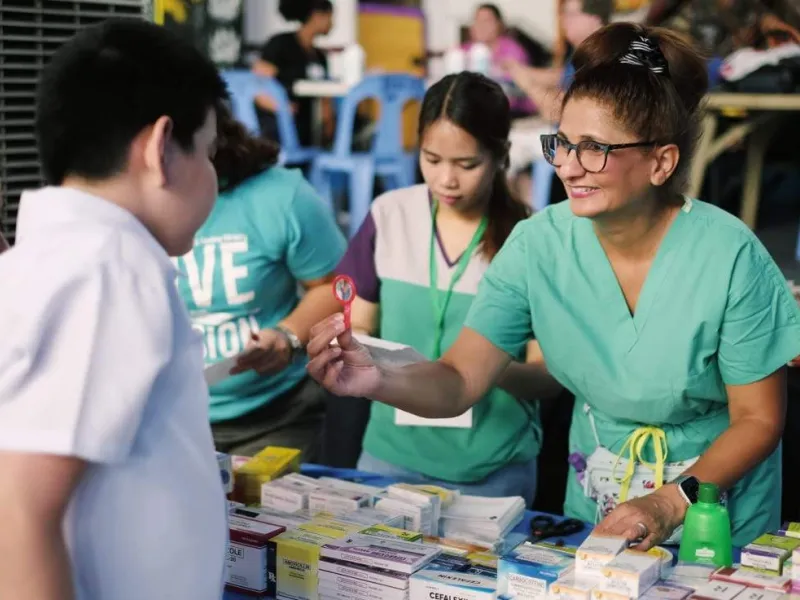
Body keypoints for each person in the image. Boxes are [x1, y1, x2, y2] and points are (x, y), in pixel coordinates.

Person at [307, 22, 800, 548]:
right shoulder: (538, 245)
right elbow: (458, 381)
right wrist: (376, 377)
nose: (568, 166)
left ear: (661, 161)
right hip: (599, 498)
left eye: (594, 149)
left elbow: (758, 418)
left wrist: (669, 500)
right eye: (561, 143)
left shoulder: (729, 256)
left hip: (712, 510)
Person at [0, 19, 228, 600]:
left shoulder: (59, 257)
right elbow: (21, 510)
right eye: (207, 150)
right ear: (160, 148)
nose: (213, 175)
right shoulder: (111, 267)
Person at [320, 72, 563, 504]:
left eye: (467, 165)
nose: (446, 180)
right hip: (388, 460)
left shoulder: (530, 238)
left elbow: (549, 377)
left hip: (490, 474)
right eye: (432, 160)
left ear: (501, 156)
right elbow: (357, 327)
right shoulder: (389, 215)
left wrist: (476, 369)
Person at [175, 104, 346, 459]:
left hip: (277, 416)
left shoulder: (280, 196)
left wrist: (286, 336)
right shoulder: (124, 209)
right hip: (168, 423)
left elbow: (338, 287)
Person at [504, 0, 612, 203]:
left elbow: (557, 112)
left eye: (570, 15)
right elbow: (558, 76)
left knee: (505, 148)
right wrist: (518, 70)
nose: (563, 21)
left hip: (577, 142)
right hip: (564, 135)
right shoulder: (585, 51)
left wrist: (526, 82)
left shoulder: (598, 58)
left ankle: (522, 219)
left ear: (594, 19)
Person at [252, 0, 334, 147]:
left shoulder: (319, 57)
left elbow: (326, 102)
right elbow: (257, 87)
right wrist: (282, 107)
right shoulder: (281, 44)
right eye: (330, 17)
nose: (332, 23)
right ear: (317, 16)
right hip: (278, 124)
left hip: (307, 125)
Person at [463, 4, 534, 117]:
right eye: (477, 20)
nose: (481, 26)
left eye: (487, 21)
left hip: (512, 113)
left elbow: (515, 91)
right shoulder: (464, 51)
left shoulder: (512, 50)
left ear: (499, 24)